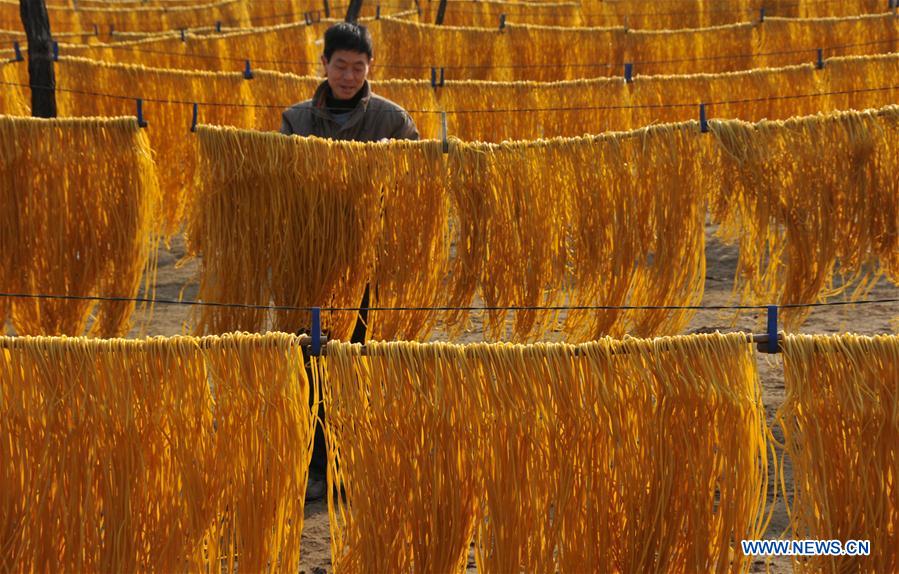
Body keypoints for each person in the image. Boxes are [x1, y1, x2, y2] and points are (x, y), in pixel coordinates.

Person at [280, 22, 419, 502]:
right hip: (311, 266)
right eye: (340, 65)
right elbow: (280, 182)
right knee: (312, 358)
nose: (348, 75)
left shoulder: (392, 120)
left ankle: (353, 461)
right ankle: (317, 464)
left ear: (369, 69)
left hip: (367, 265)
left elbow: (417, 178)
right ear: (324, 65)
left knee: (358, 360)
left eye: (358, 67)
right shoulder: (296, 120)